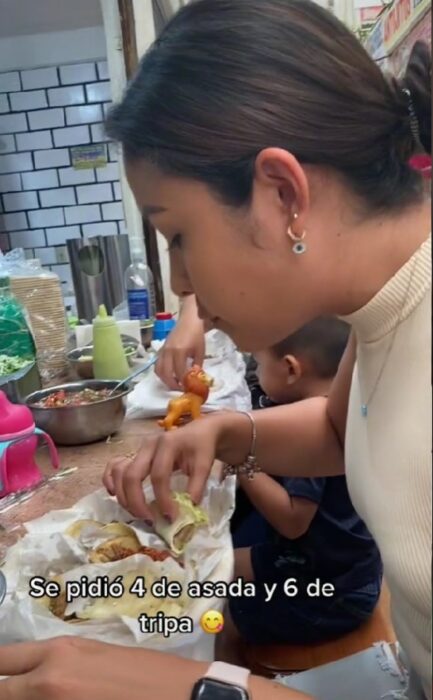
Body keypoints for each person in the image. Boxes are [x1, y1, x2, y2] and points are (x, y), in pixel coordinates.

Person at [0, 2, 430, 699]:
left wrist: (202, 688)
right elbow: (337, 430)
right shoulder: (381, 308)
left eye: (176, 235)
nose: (180, 283)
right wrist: (227, 434)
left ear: (282, 194)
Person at [219, 319, 383, 663]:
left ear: (291, 369)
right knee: (219, 560)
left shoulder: (312, 429)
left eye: (260, 364)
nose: (257, 373)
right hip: (351, 567)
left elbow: (293, 521)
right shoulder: (341, 409)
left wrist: (240, 462)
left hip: (332, 593)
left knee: (215, 593)